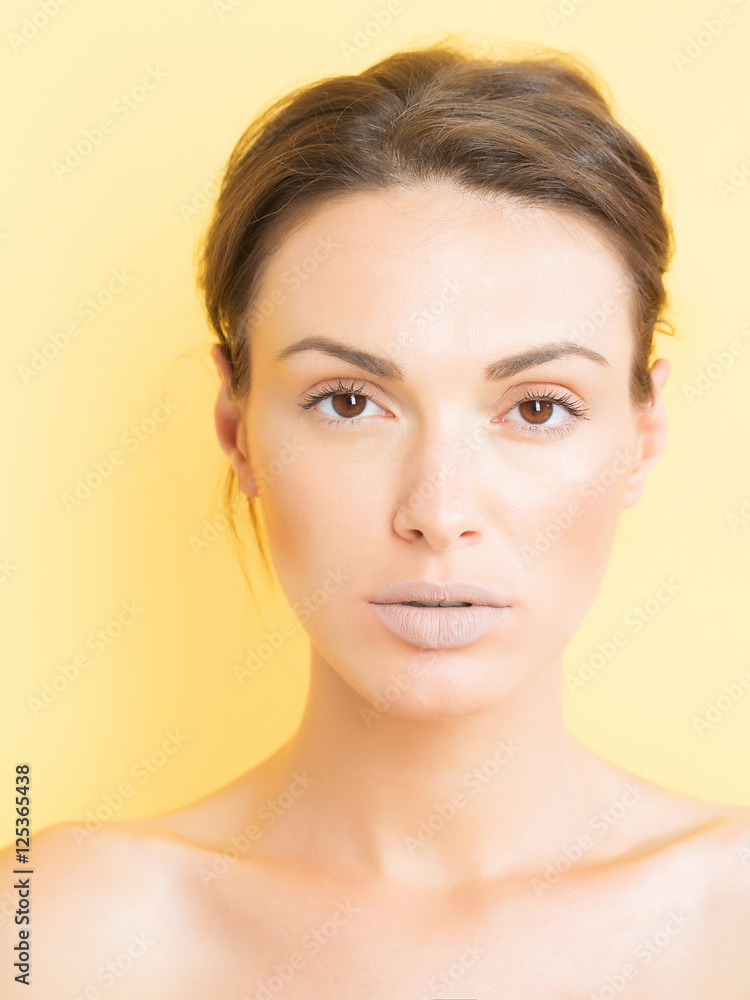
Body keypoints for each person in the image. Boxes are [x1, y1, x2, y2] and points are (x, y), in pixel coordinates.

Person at [4, 39, 750, 999]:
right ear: (237, 429)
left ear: (642, 437)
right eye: (349, 402)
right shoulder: (47, 932)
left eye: (537, 407)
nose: (438, 512)